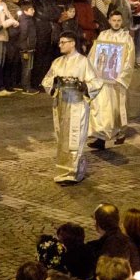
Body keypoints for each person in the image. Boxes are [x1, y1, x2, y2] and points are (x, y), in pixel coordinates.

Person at [42, 33, 102, 183]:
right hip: (61, 105)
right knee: (63, 139)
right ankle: (63, 169)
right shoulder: (57, 62)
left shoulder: (83, 62)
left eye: (63, 42)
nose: (60, 45)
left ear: (72, 43)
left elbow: (96, 81)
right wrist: (54, 83)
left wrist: (84, 86)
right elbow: (47, 80)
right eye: (60, 42)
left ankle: (73, 172)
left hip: (77, 105)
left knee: (75, 139)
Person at [87, 11, 135, 150]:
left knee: (117, 109)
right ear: (109, 21)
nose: (116, 23)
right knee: (102, 108)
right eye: (114, 20)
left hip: (117, 80)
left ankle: (120, 133)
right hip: (103, 79)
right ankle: (101, 138)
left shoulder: (126, 38)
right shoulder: (103, 35)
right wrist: (92, 72)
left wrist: (121, 77)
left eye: (119, 20)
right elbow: (94, 54)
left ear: (122, 21)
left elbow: (129, 60)